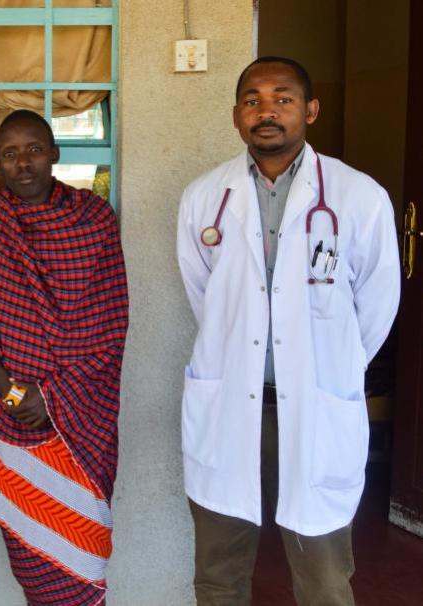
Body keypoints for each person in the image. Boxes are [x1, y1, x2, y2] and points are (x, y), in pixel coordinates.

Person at [176, 56, 400, 605]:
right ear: (235, 115)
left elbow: (376, 304)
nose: (267, 111)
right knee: (218, 572)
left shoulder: (358, 197)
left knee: (323, 579)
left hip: (316, 409)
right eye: (252, 99)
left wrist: (329, 365)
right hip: (230, 404)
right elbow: (205, 297)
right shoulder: (205, 197)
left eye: (283, 98)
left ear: (311, 110)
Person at [0, 110, 129, 605]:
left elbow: (112, 323)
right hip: (17, 414)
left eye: (34, 149)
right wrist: (11, 389)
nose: (23, 163)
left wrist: (53, 394)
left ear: (55, 152)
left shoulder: (94, 219)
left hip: (83, 417)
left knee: (80, 556)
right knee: (32, 561)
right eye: (10, 154)